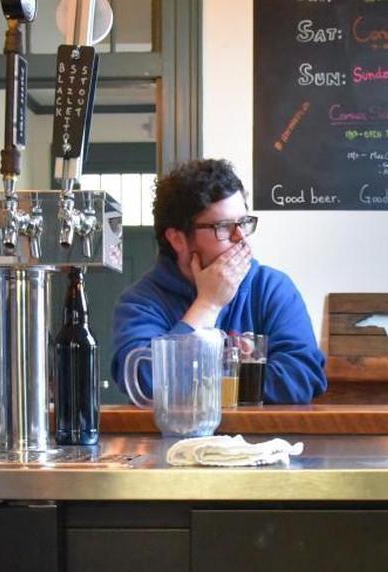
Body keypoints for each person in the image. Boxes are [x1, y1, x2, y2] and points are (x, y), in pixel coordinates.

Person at [111, 158, 326, 404]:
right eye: (223, 227)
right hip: (173, 432)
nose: (241, 237)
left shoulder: (272, 288)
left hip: (259, 431)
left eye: (244, 223)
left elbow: (302, 377)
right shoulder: (139, 303)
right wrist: (208, 304)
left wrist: (199, 382)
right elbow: (146, 383)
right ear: (178, 239)